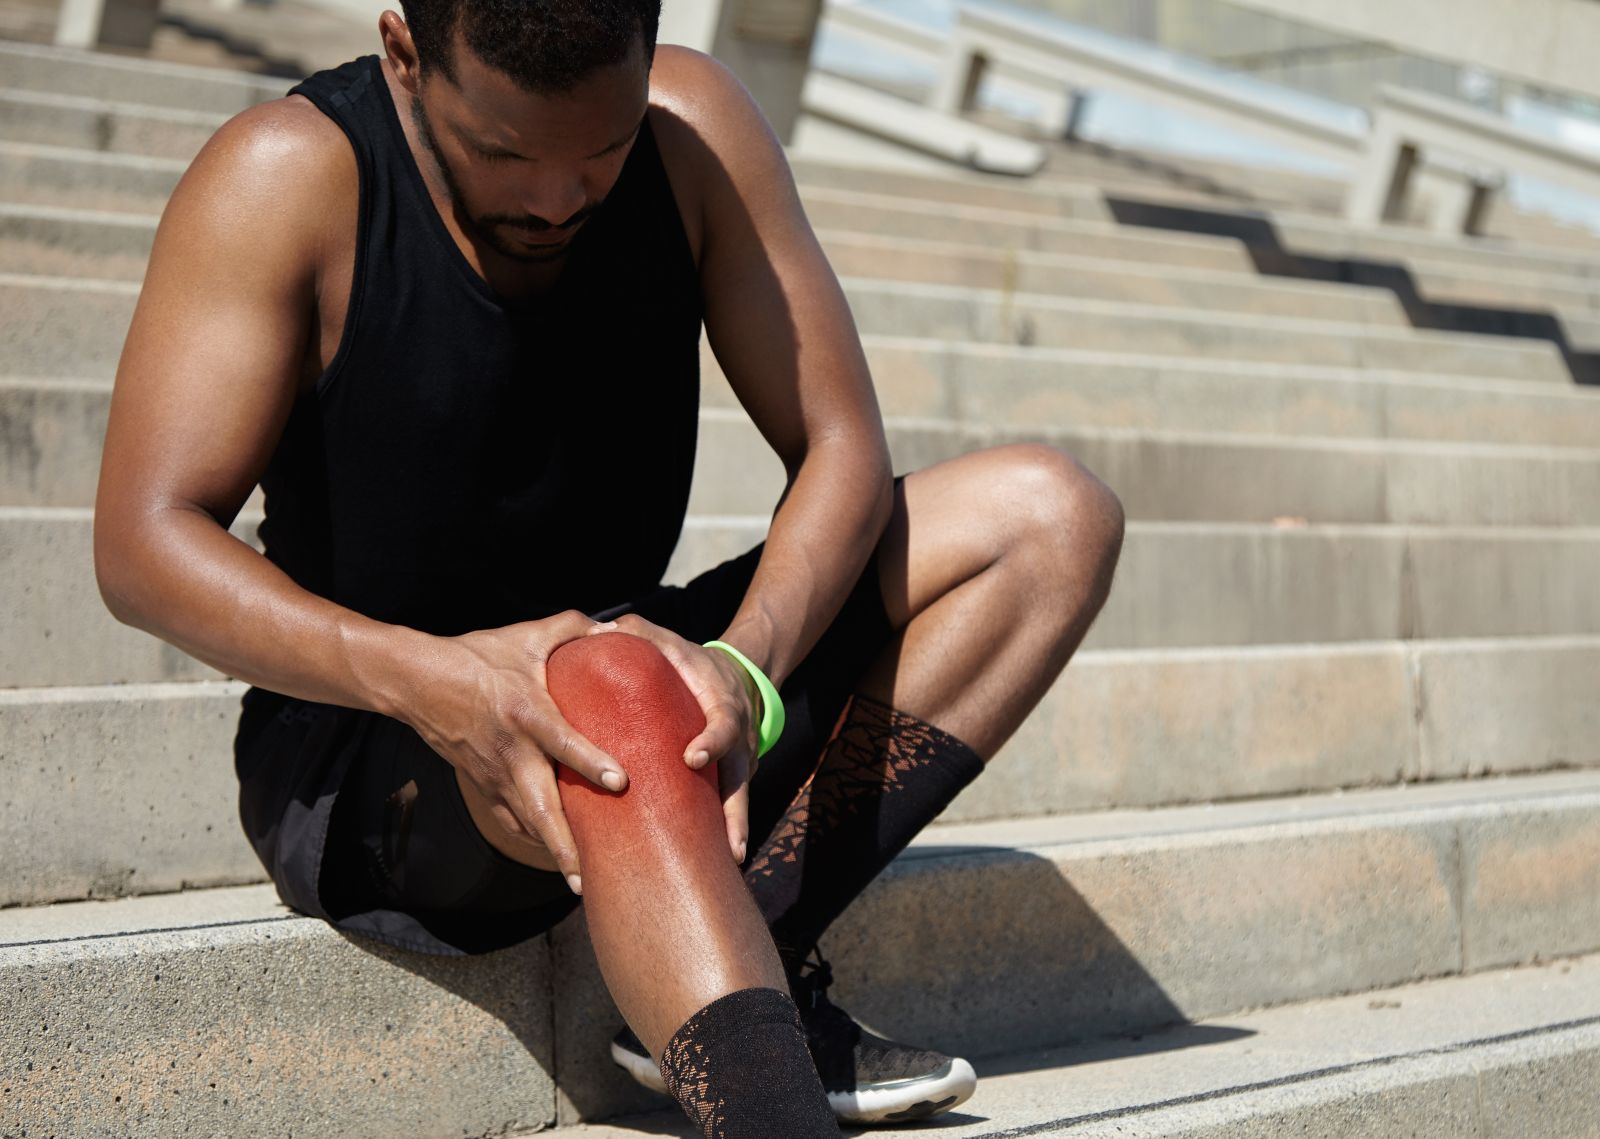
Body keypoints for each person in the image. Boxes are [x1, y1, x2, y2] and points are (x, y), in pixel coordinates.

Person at [92, 0, 1126, 1133]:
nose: (556, 198)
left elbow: (841, 445)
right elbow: (145, 542)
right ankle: (767, 1102)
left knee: (1048, 516)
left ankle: (750, 948)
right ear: (403, 52)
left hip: (635, 663)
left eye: (603, 149)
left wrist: (745, 664)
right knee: (610, 682)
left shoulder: (692, 134)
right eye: (500, 152)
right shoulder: (288, 175)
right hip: (375, 739)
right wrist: (432, 678)